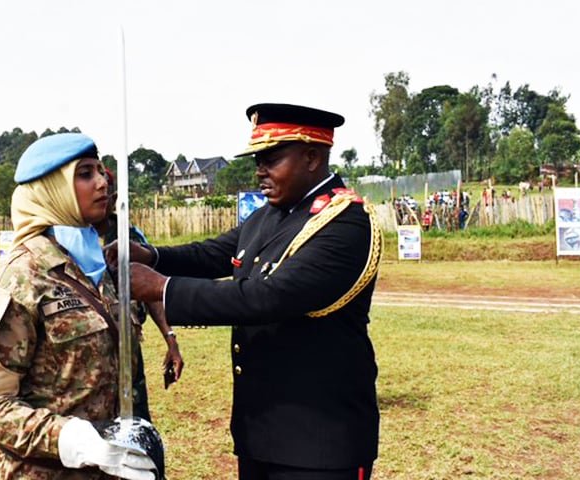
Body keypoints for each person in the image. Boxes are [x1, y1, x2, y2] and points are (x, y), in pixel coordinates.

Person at [117, 103, 383, 480]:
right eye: (258, 159)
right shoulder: (272, 213)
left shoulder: (345, 222)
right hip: (262, 431)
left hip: (320, 440)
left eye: (271, 159)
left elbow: (269, 297)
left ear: (311, 156)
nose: (260, 170)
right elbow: (215, 253)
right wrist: (153, 255)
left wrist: (163, 289)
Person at [0, 133, 157, 480]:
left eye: (100, 171)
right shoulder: (15, 280)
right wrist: (73, 439)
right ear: (52, 188)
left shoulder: (101, 268)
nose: (102, 183)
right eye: (85, 174)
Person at [94, 168, 183, 421]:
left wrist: (171, 340)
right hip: (90, 348)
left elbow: (150, 290)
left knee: (135, 416)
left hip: (127, 340)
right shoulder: (69, 237)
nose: (101, 194)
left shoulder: (127, 236)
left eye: (107, 192)